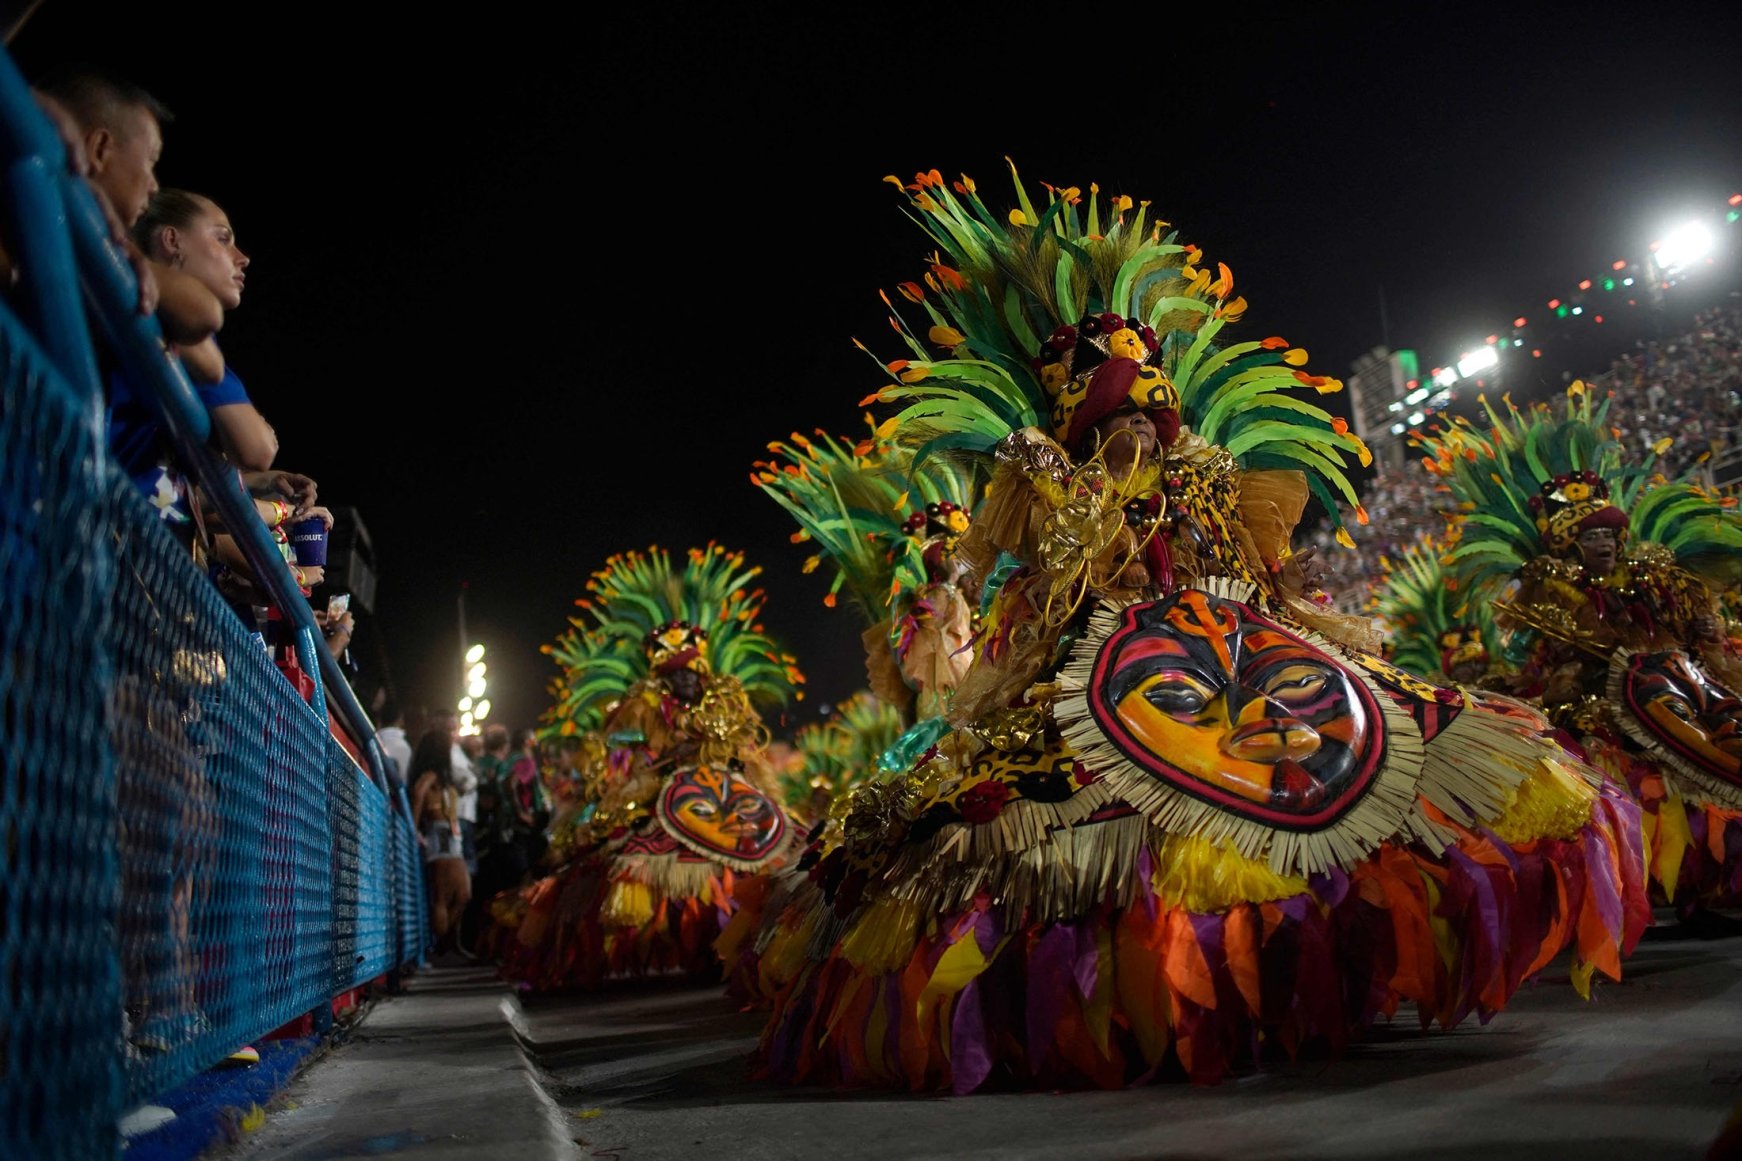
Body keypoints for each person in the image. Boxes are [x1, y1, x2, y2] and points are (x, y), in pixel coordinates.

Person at [745, 165, 1647, 1092]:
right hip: (1115, 663)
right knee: (1046, 824)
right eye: (1117, 413)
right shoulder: (1060, 489)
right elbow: (1058, 585)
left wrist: (1294, 599)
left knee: (1377, 752)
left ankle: (1318, 968)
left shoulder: (1208, 476)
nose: (1138, 424)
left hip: (1242, 646)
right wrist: (1072, 494)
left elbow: (1254, 569)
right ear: (1085, 425)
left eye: (1147, 409)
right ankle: (1182, 993)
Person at [408, 729, 470, 948]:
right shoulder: (431, 775)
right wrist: (413, 828)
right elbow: (418, 794)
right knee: (445, 896)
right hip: (441, 836)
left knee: (460, 894)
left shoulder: (439, 776)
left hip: (450, 837)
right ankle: (438, 942)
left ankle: (440, 940)